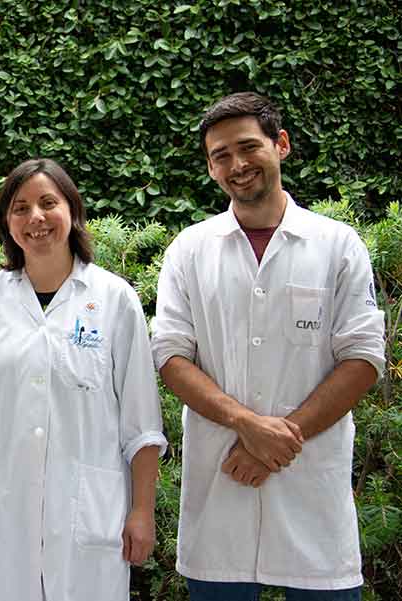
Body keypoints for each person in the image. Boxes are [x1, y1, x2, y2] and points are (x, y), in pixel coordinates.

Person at [151, 92, 385, 600]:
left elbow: (364, 357)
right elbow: (170, 357)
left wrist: (281, 440)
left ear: (280, 145)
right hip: (220, 498)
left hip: (312, 502)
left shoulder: (337, 245)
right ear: (211, 168)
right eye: (220, 156)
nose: (236, 165)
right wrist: (246, 424)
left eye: (247, 147)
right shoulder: (189, 251)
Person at [0, 158, 167, 601]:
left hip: (90, 516)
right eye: (20, 208)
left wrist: (142, 511)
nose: (35, 218)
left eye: (47, 203)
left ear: (72, 211)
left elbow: (142, 426)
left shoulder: (114, 299)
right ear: (7, 221)